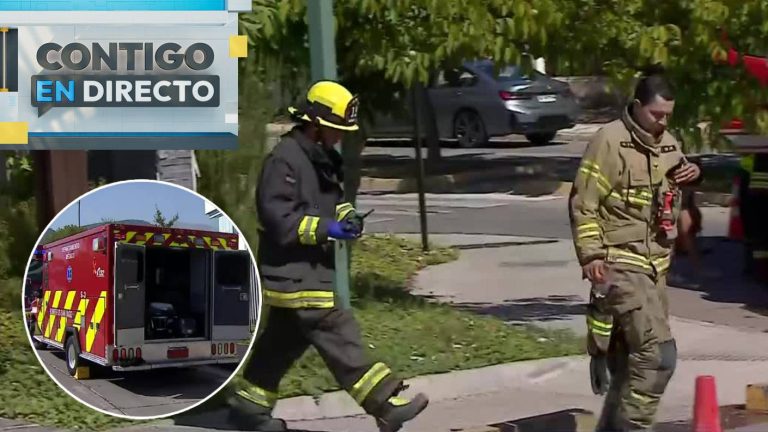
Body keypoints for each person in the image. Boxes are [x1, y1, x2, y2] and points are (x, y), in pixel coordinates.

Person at [227, 80, 428, 432]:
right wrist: (327, 229)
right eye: (336, 129)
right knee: (335, 330)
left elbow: (332, 202)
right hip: (294, 271)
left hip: (309, 269)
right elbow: (280, 221)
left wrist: (348, 217)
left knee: (280, 344)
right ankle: (384, 404)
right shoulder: (284, 160)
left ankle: (248, 408)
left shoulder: (321, 158)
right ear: (315, 124)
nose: (339, 137)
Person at [569, 71, 702, 431]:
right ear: (638, 106)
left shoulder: (669, 143)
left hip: (655, 265)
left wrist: (693, 175)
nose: (663, 122)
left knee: (629, 362)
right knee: (658, 356)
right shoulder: (609, 142)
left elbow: (676, 193)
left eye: (668, 116)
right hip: (619, 261)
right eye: (657, 114)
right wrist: (591, 255)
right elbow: (584, 204)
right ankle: (635, 427)